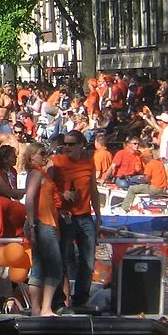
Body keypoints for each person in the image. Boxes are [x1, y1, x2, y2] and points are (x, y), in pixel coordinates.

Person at [52, 130, 101, 308]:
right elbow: (46, 187)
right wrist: (61, 194)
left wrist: (98, 216)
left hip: (85, 216)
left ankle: (81, 298)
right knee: (62, 259)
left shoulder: (89, 164)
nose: (66, 147)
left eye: (71, 144)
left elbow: (94, 191)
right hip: (66, 216)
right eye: (64, 144)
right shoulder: (56, 162)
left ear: (81, 145)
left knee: (88, 260)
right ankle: (60, 300)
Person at [22, 142, 63, 317]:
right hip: (42, 223)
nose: (44, 155)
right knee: (55, 267)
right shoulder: (36, 173)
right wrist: (32, 226)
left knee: (39, 266)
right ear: (32, 156)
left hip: (45, 221)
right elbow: (29, 199)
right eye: (41, 153)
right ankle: (45, 308)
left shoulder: (40, 172)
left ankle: (36, 309)